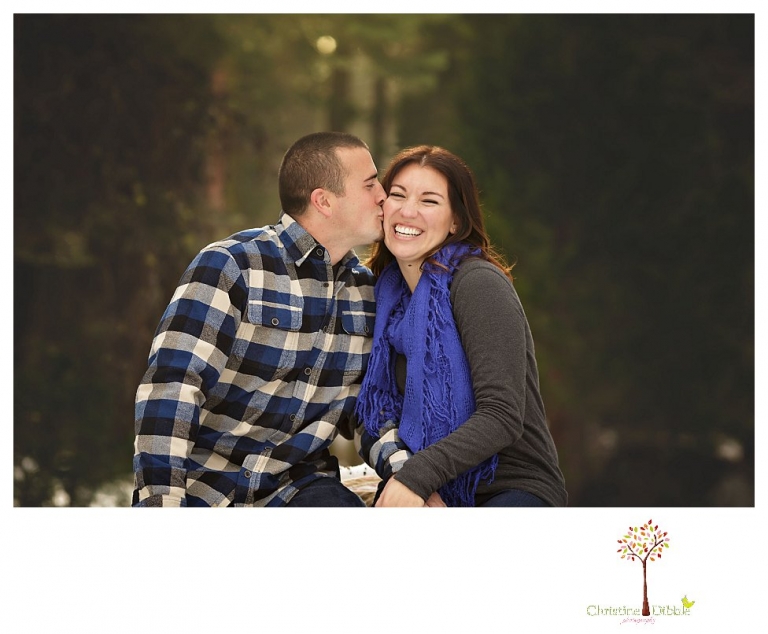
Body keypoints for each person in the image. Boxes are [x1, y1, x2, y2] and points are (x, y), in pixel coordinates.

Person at [133, 131, 386, 507]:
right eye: (370, 184)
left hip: (300, 488)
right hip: (204, 486)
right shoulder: (232, 264)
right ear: (324, 201)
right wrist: (163, 504)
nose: (383, 195)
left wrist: (412, 477)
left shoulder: (367, 294)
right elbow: (172, 389)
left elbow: (370, 415)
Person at [356, 145, 568, 507]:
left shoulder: (477, 284)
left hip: (510, 486)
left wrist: (418, 478)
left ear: (456, 220)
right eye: (398, 195)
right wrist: (410, 476)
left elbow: (501, 414)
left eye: (429, 201)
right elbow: (373, 414)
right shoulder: (384, 296)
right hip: (429, 481)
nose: (408, 211)